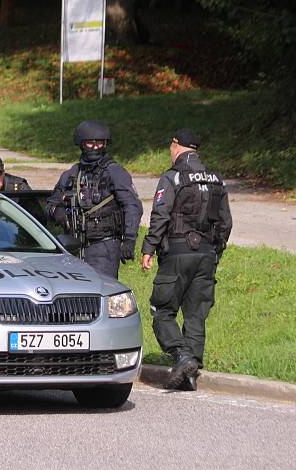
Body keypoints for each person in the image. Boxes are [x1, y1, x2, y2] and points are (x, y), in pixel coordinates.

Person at [141, 129, 232, 391]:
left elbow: (161, 216)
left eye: (171, 147)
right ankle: (190, 375)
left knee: (162, 310)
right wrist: (216, 253)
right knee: (195, 314)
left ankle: (182, 356)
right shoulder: (216, 179)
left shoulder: (172, 178)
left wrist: (148, 248)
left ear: (176, 146)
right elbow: (226, 223)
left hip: (178, 253)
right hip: (206, 255)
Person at [46, 120, 142, 279]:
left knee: (101, 289)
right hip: (73, 247)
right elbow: (50, 205)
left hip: (105, 247)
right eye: (91, 143)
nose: (95, 147)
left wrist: (130, 239)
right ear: (82, 144)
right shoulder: (70, 175)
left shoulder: (114, 172)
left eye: (100, 143)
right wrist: (59, 213)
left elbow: (132, 206)